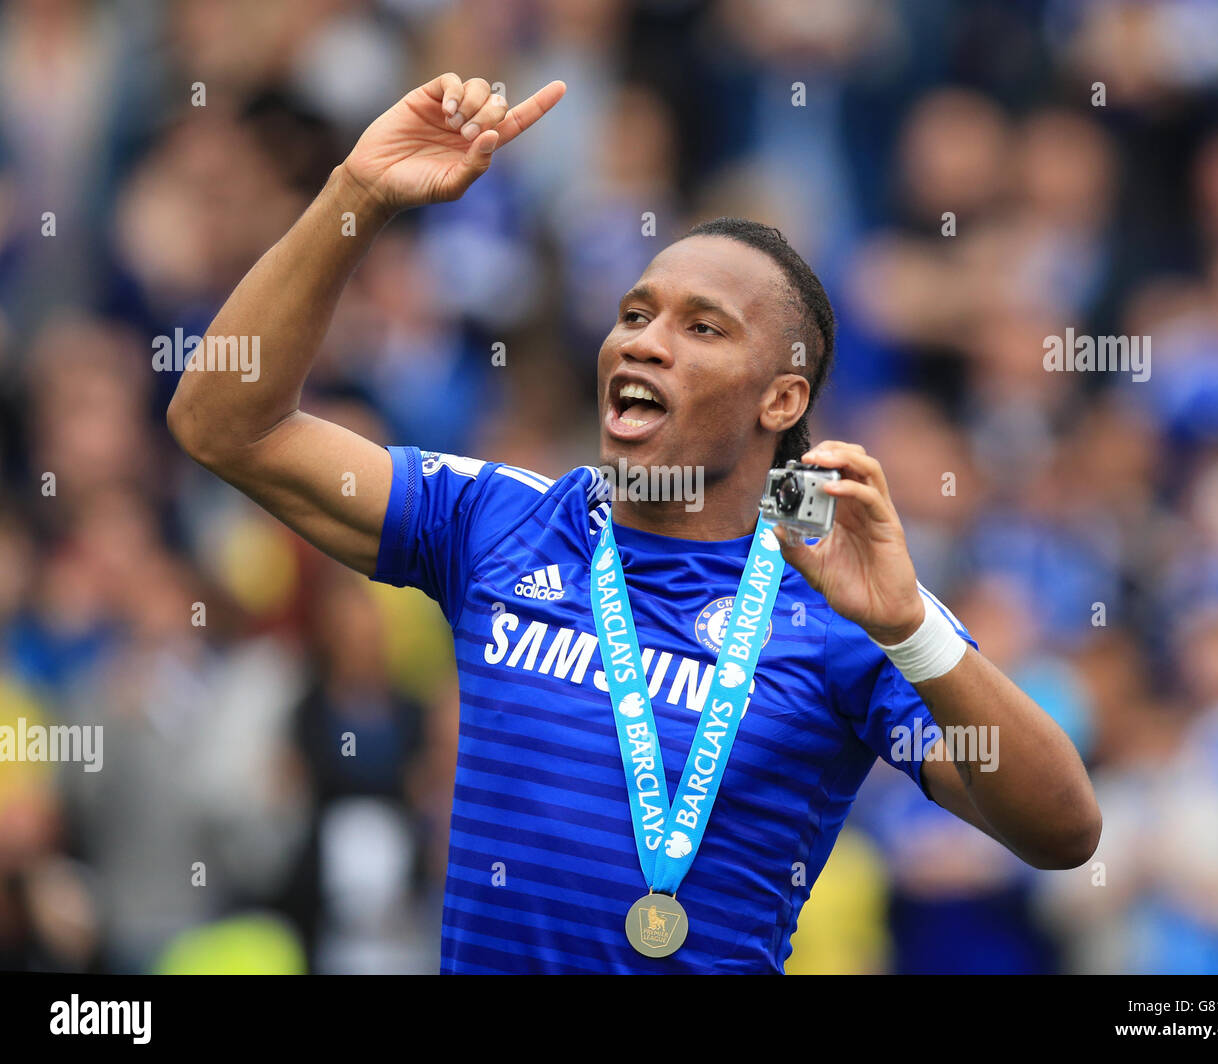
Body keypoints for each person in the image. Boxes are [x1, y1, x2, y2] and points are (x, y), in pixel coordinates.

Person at [167, 73, 1101, 974]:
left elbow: (1063, 831)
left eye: (702, 328)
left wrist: (911, 631)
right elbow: (222, 423)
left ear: (782, 397)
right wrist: (357, 196)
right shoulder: (496, 520)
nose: (643, 339)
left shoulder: (845, 594)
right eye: (635, 312)